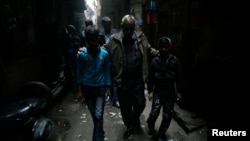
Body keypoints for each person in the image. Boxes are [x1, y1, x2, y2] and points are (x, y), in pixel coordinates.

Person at [103, 14, 158, 140]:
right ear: (122, 27)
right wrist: (87, 50)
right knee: (125, 105)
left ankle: (134, 118)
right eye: (126, 28)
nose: (128, 31)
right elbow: (102, 50)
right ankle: (130, 126)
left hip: (138, 78)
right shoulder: (114, 39)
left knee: (141, 103)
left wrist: (160, 53)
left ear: (134, 27)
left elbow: (149, 50)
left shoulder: (140, 37)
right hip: (123, 78)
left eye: (131, 28)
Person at [77, 25, 111, 141]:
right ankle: (100, 132)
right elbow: (79, 74)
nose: (92, 42)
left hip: (100, 89)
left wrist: (108, 88)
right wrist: (80, 90)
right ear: (86, 39)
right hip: (87, 89)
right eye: (89, 39)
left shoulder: (104, 54)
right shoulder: (82, 55)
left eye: (94, 39)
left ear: (98, 38)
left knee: (98, 114)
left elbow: (107, 72)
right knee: (96, 116)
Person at [146, 37, 183, 141]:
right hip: (158, 90)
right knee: (155, 111)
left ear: (169, 48)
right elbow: (151, 77)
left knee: (167, 115)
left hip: (169, 91)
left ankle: (161, 135)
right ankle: (150, 123)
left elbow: (179, 76)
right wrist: (150, 91)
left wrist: (179, 91)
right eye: (161, 47)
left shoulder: (174, 60)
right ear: (158, 48)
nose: (163, 49)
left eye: (166, 47)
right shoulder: (154, 61)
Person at [99, 16, 120, 108]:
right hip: (104, 60)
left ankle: (115, 99)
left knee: (115, 79)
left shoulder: (116, 33)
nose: (110, 26)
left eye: (110, 24)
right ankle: (106, 96)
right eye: (108, 24)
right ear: (103, 25)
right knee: (106, 79)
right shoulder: (100, 35)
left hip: (114, 58)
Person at [67, 35, 83, 102]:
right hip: (75, 70)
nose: (76, 43)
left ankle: (82, 95)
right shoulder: (71, 52)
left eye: (77, 41)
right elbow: (69, 63)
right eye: (74, 42)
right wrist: (72, 71)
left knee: (82, 83)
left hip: (82, 70)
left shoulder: (82, 51)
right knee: (75, 83)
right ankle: (76, 95)